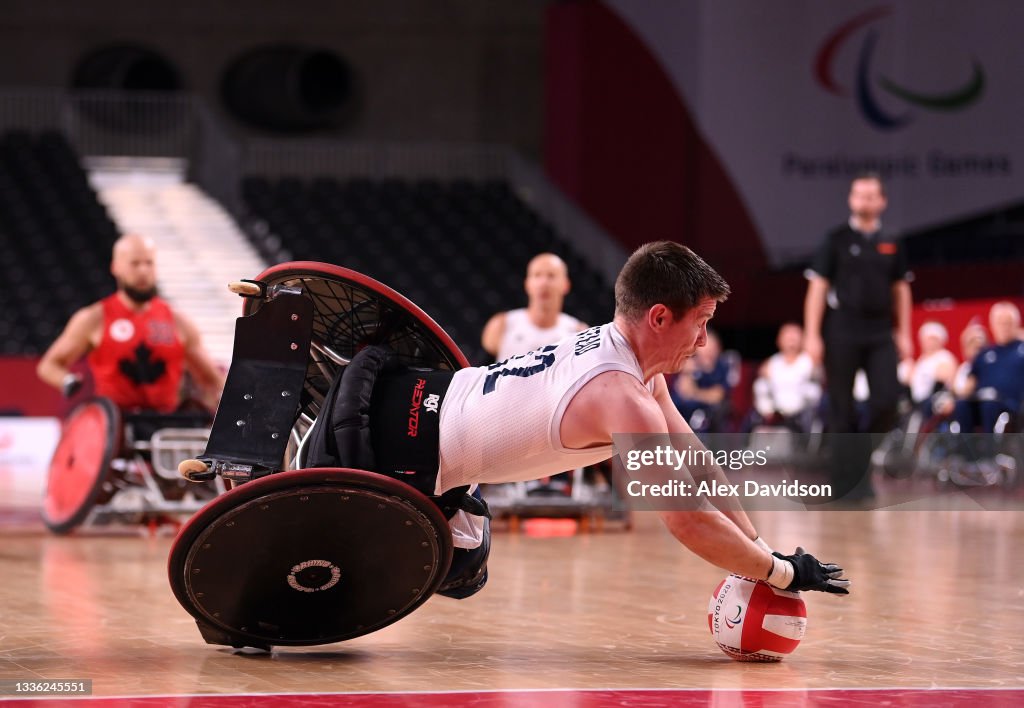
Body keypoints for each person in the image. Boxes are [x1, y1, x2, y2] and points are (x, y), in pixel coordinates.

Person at [435, 241, 849, 596]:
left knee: (466, 560)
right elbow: (688, 520)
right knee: (453, 567)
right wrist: (781, 573)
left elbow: (698, 463)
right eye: (701, 323)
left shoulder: (626, 359)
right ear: (659, 318)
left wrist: (762, 549)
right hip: (415, 451)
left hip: (433, 406)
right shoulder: (623, 395)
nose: (703, 341)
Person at [803, 173, 913, 502]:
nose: (864, 201)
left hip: (880, 331)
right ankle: (845, 484)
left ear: (882, 201)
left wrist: (904, 332)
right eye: (858, 195)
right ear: (851, 200)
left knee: (887, 402)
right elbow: (817, 288)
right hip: (842, 331)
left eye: (870, 196)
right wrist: (812, 335)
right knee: (842, 410)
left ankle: (859, 466)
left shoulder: (893, 239)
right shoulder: (834, 239)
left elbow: (901, 289)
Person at [37, 234, 224, 413]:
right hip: (116, 425)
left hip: (166, 423)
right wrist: (67, 380)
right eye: (135, 264)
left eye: (149, 263)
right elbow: (49, 365)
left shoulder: (179, 322)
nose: (143, 271)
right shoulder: (93, 318)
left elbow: (211, 380)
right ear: (115, 267)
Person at [481, 252, 587, 362]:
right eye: (537, 275)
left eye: (551, 275)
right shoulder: (501, 325)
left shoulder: (578, 334)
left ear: (566, 285)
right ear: (527, 284)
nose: (544, 283)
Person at [954, 302, 1024, 434]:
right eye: (1000, 323)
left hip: (1012, 405)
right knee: (962, 405)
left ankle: (990, 451)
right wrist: (956, 396)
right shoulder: (984, 354)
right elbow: (970, 382)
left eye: (1008, 322)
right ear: (993, 325)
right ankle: (967, 452)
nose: (1004, 327)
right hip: (983, 400)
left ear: (1016, 324)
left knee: (989, 405)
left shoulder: (1021, 349)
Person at [752, 323, 821, 431]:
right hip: (775, 414)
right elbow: (761, 389)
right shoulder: (770, 364)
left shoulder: (809, 362)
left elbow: (815, 391)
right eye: (787, 335)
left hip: (801, 416)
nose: (791, 339)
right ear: (779, 340)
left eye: (795, 335)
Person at [671, 329, 732, 432]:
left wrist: (695, 393)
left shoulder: (722, 367)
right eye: (705, 347)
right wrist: (687, 374)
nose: (709, 352)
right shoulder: (687, 365)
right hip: (681, 416)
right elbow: (683, 392)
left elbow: (717, 396)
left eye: (713, 348)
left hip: (709, 420)